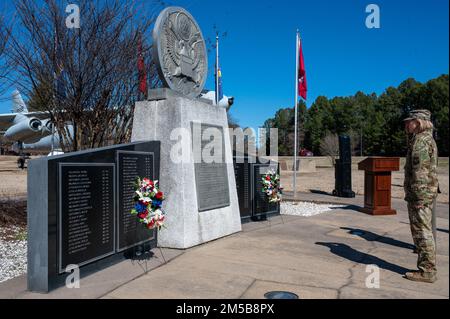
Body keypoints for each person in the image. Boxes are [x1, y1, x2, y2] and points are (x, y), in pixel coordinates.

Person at [403, 109, 439, 283]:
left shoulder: (420, 142)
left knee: (422, 232)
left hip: (421, 195)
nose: (406, 124)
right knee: (424, 231)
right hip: (424, 193)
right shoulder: (426, 139)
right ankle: (427, 268)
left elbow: (420, 172)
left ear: (418, 122)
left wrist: (418, 197)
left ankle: (428, 271)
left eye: (409, 121)